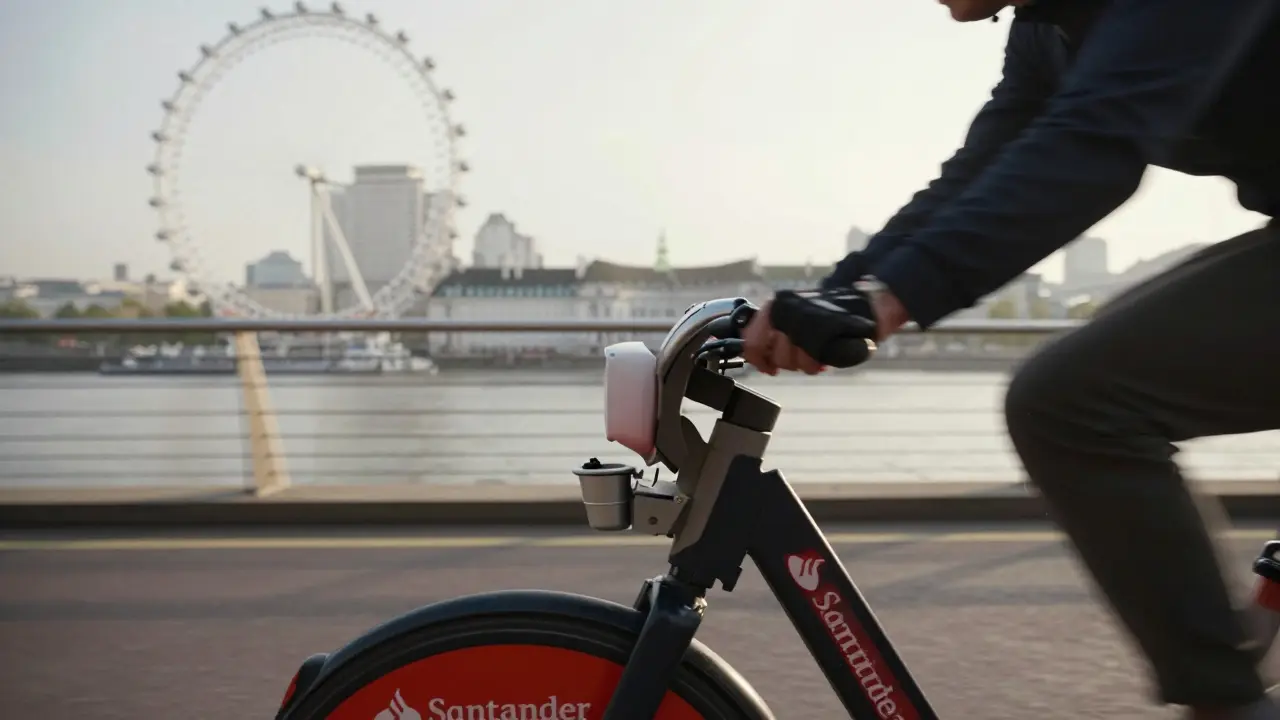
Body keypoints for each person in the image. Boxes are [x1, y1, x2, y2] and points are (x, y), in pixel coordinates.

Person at [741, 1, 1280, 718]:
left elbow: (1094, 141)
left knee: (1071, 401)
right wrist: (834, 295)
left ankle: (1224, 705)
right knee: (1091, 366)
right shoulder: (1042, 32)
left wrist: (889, 300)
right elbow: (979, 171)